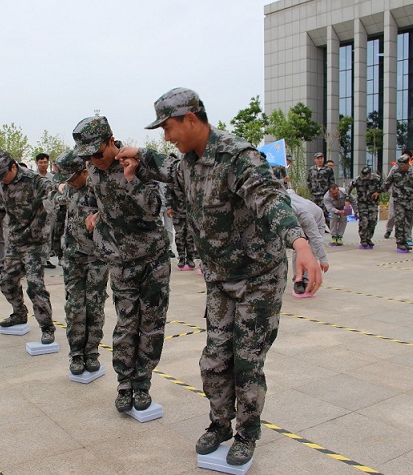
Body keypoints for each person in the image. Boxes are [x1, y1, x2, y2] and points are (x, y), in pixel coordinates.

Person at [116, 87, 322, 466]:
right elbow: (167, 169)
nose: (167, 136)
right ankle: (220, 423)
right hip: (220, 279)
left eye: (168, 127)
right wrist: (138, 156)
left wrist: (300, 243)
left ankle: (247, 433)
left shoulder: (236, 156)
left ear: (191, 119)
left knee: (247, 362)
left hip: (258, 278)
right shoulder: (188, 162)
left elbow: (270, 198)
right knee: (213, 360)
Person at [73, 115, 170, 414]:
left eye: (97, 153)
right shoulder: (93, 168)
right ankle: (124, 384)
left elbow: (154, 209)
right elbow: (94, 199)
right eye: (87, 156)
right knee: (126, 324)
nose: (93, 160)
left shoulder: (137, 163)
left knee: (150, 325)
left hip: (152, 259)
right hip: (120, 260)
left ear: (110, 141)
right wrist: (93, 215)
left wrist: (131, 179)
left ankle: (142, 384)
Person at [0, 151, 56, 344]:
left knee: (35, 284)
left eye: (3, 175)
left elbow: (53, 192)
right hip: (15, 240)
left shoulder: (34, 180)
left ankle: (47, 328)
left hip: (35, 241)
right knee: (7, 281)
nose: (0, 180)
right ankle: (19, 313)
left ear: (13, 167)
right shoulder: (2, 183)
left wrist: (61, 189)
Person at [53, 150, 108, 375]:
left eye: (71, 178)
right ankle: (76, 354)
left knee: (94, 306)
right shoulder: (69, 188)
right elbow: (57, 195)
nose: (69, 183)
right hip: (73, 258)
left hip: (96, 259)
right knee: (75, 307)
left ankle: (92, 352)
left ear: (84, 172)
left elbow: (116, 211)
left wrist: (99, 217)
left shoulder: (100, 189)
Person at [273, 165, 328, 295]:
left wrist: (323, 260)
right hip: (298, 214)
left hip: (316, 220)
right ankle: (297, 279)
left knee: (309, 250)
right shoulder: (278, 203)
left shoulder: (304, 215)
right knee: (296, 248)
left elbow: (316, 238)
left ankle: (306, 279)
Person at [165, 154, 197, 269]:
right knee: (179, 235)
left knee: (190, 235)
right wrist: (168, 207)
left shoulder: (192, 173)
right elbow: (168, 191)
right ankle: (182, 258)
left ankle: (190, 258)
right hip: (177, 209)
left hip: (191, 210)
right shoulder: (172, 175)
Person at [384, 154, 413, 252]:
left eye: (402, 165)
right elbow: (386, 184)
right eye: (399, 165)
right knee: (399, 221)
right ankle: (399, 242)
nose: (400, 167)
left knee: (408, 222)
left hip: (410, 201)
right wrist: (377, 192)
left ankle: (405, 240)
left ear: (407, 164)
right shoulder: (395, 172)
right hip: (399, 201)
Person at [346, 166, 383, 248]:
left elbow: (385, 185)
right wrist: (347, 199)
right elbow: (348, 188)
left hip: (373, 203)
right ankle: (363, 239)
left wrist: (378, 192)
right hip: (362, 203)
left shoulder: (377, 178)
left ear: (369, 174)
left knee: (373, 221)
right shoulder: (357, 179)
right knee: (364, 221)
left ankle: (369, 238)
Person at [36, 152, 58, 269]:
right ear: (37, 163)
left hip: (49, 210)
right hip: (36, 211)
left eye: (45, 162)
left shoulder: (53, 178)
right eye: (41, 162)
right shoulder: (33, 177)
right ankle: (37, 258)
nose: (43, 164)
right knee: (36, 235)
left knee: (48, 235)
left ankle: (45, 258)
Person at [384, 150, 413, 239]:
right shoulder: (395, 169)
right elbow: (388, 181)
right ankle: (389, 229)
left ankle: (405, 236)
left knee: (406, 217)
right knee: (392, 215)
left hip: (407, 198)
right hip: (396, 195)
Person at [306, 151, 334, 228]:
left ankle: (332, 229)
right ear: (315, 160)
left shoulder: (328, 169)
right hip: (314, 195)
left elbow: (332, 182)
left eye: (321, 158)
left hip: (324, 194)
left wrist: (330, 193)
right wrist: (311, 190)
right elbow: (308, 181)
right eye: (318, 158)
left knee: (325, 212)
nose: (320, 160)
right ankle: (316, 228)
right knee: (314, 212)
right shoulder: (312, 169)